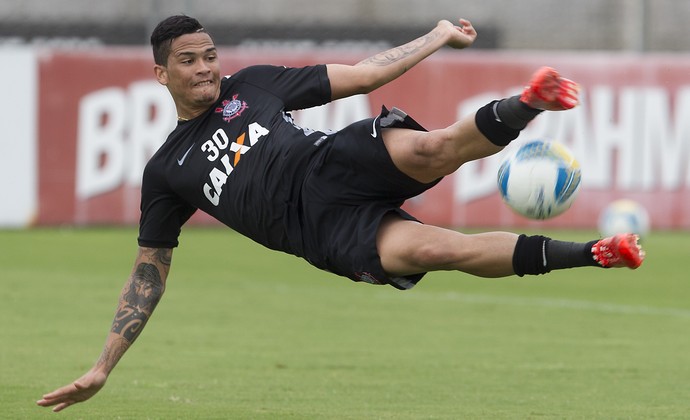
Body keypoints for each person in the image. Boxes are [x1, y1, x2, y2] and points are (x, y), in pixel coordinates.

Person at [37, 15, 644, 412]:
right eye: (189, 61)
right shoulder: (167, 170)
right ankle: (594, 253)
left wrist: (437, 36)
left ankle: (528, 101)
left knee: (434, 149)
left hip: (331, 164)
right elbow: (150, 272)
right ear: (161, 74)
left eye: (210, 55)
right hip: (321, 233)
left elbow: (363, 76)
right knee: (441, 250)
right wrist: (101, 367)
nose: (205, 69)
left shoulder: (255, 85)